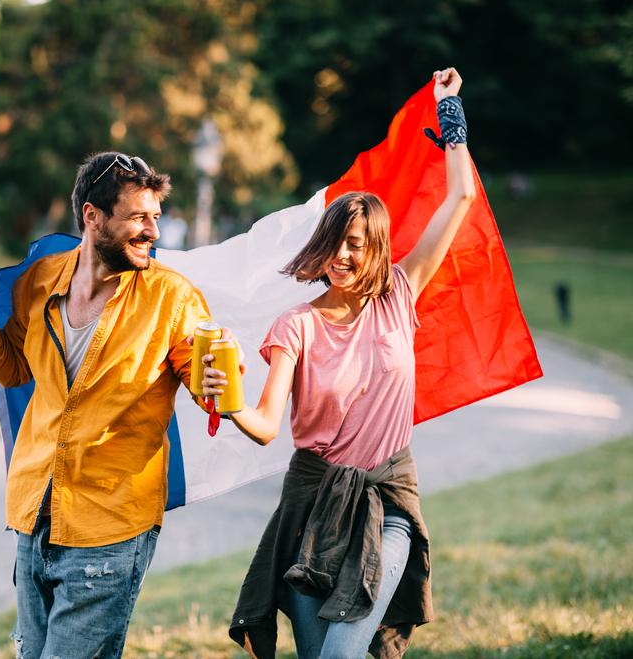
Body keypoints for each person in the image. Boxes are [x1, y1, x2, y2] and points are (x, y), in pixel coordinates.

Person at [203, 68, 474, 658]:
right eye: (337, 242)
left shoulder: (400, 294)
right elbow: (269, 423)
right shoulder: (295, 325)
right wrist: (229, 405)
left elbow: (461, 197)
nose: (345, 255)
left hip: (387, 498)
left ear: (377, 248)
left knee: (343, 653)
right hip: (311, 507)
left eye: (358, 243)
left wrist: (449, 114)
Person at [0, 151, 211, 658]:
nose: (153, 232)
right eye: (138, 217)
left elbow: (210, 388)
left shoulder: (172, 298)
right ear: (92, 217)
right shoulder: (40, 280)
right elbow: (13, 371)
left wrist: (218, 380)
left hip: (110, 525)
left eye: (155, 217)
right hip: (35, 513)